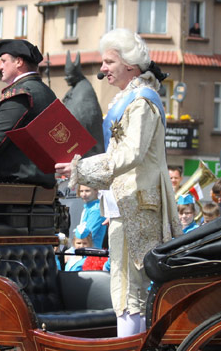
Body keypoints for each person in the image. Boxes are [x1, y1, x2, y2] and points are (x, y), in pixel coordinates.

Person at [55, 28, 181, 337]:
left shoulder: (141, 102)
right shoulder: (130, 98)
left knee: (128, 288)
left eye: (109, 62)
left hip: (136, 205)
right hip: (126, 203)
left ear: (130, 64)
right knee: (127, 287)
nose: (102, 69)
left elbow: (130, 155)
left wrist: (80, 169)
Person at [0, 39, 57, 188]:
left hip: (13, 186)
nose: (0, 66)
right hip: (40, 184)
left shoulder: (20, 93)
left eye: (4, 61)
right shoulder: (47, 92)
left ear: (19, 62)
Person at [62, 51, 105, 157]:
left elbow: (80, 116)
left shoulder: (84, 90)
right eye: (66, 77)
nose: (67, 80)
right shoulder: (74, 88)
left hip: (90, 150)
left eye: (69, 77)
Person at [75, 185, 107, 249]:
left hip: (91, 253)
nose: (83, 194)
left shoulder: (96, 209)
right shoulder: (89, 207)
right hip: (85, 250)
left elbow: (86, 236)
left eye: (87, 191)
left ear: (96, 191)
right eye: (81, 191)